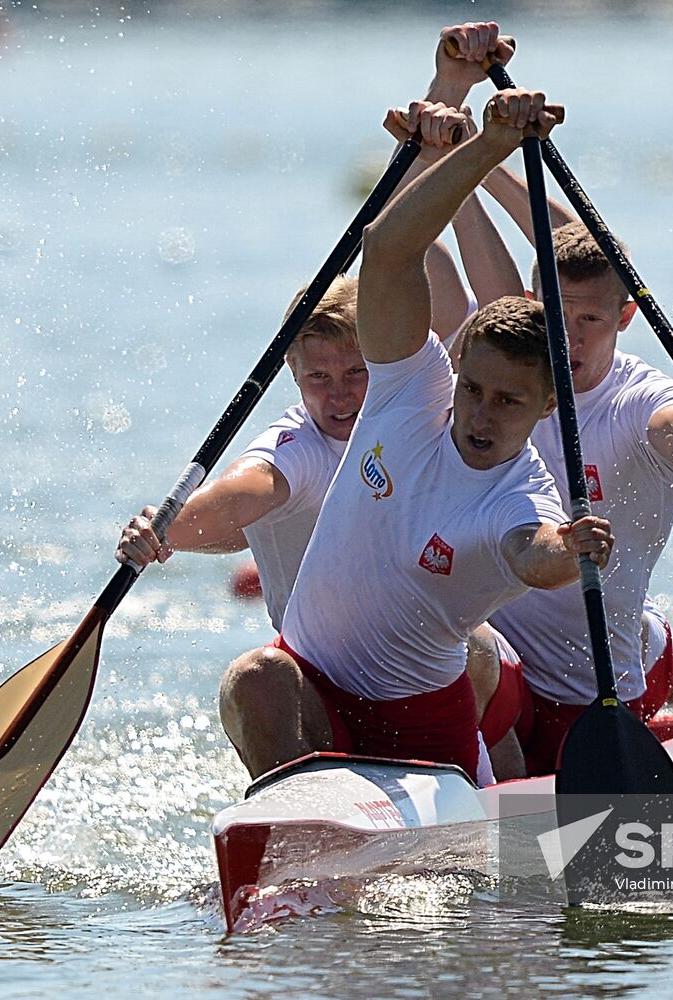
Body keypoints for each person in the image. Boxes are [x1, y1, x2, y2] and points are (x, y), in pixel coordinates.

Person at [219, 91, 614, 787]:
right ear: (455, 373)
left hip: (421, 728)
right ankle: (284, 828)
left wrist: (570, 550)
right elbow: (388, 249)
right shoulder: (409, 390)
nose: (480, 416)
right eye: (473, 390)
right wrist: (483, 146)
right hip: (315, 692)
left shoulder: (521, 492)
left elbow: (534, 554)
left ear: (548, 405)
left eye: (508, 402)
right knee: (254, 676)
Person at [429, 26, 673, 774]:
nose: (568, 339)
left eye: (592, 321)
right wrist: (469, 140)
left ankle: (658, 657)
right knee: (466, 650)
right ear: (537, 301)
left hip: (593, 694)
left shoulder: (642, 400)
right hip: (497, 672)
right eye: (556, 315)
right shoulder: (512, 362)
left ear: (625, 318)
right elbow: (431, 227)